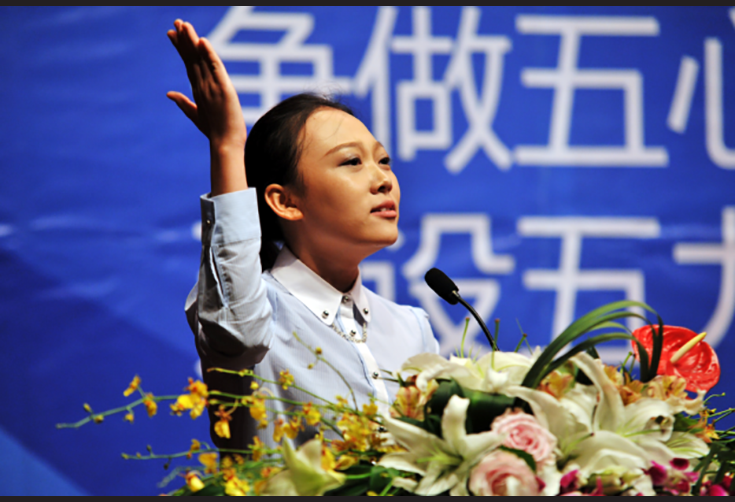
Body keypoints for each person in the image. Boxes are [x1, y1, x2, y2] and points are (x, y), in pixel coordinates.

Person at [167, 19, 439, 450]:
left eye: (384, 160)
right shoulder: (249, 311)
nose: (383, 180)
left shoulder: (412, 329)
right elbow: (238, 334)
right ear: (285, 201)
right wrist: (228, 145)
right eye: (352, 162)